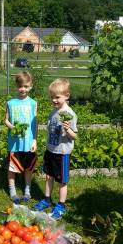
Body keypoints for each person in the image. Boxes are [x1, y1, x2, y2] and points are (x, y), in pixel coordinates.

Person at [33, 78, 77, 219]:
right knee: (49, 176)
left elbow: (74, 136)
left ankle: (61, 205)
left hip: (62, 153)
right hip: (51, 150)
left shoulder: (70, 115)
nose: (54, 100)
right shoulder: (53, 113)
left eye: (57, 97)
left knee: (62, 181)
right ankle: (47, 199)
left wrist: (68, 129)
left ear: (67, 96)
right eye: (52, 97)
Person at [5, 71, 37, 203]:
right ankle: (12, 190)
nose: (23, 89)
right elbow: (6, 120)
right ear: (16, 86)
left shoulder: (33, 103)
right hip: (14, 142)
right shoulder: (11, 103)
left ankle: (27, 190)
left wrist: (34, 139)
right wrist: (13, 128)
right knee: (12, 167)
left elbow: (34, 123)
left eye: (26, 86)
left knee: (28, 168)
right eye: (20, 86)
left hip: (28, 142)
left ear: (30, 86)